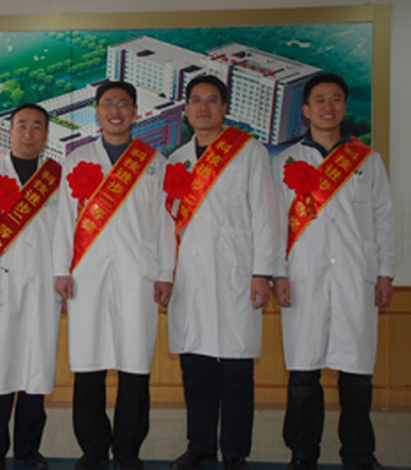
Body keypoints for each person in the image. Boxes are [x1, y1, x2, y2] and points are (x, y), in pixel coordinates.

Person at [271, 73, 395, 470]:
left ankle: (358, 454)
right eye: (320, 99)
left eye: (336, 99)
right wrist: (278, 274)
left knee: (356, 375)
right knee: (303, 375)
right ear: (306, 110)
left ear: (344, 107)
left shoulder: (367, 160)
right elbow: (274, 224)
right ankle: (302, 452)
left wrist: (385, 272)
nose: (329, 106)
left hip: (355, 278)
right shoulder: (285, 161)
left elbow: (384, 219)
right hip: (303, 276)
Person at [53, 81, 176, 470]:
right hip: (86, 275)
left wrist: (165, 273)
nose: (115, 111)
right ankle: (93, 448)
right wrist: (61, 270)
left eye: (123, 104)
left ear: (135, 111)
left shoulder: (155, 162)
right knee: (88, 363)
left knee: (135, 364)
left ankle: (128, 450)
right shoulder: (77, 160)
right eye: (108, 104)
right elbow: (64, 221)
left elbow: (166, 223)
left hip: (138, 275)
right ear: (97, 111)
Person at [165, 75, 278, 470]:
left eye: (212, 100)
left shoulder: (249, 152)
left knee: (235, 371)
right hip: (190, 278)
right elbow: (167, 224)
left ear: (225, 107)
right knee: (195, 369)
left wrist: (262, 272)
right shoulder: (177, 160)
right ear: (186, 109)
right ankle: (199, 445)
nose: (203, 108)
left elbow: (265, 214)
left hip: (236, 275)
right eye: (196, 100)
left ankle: (234, 451)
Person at [0, 103, 62, 470]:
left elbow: (68, 236)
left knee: (37, 368)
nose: (29, 133)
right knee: (0, 369)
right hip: (0, 284)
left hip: (45, 287)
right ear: (9, 131)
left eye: (37, 126)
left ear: (46, 135)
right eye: (22, 125)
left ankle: (28, 449)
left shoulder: (58, 178)